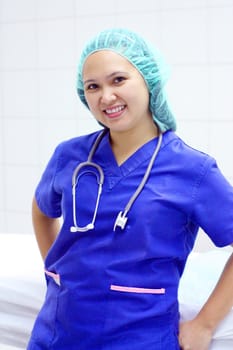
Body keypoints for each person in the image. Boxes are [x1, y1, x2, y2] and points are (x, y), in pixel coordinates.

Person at [27, 28, 233, 350]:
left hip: (141, 338)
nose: (105, 96)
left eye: (118, 80)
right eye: (92, 86)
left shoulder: (192, 170)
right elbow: (41, 211)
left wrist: (204, 324)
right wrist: (55, 270)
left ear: (148, 81)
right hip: (57, 335)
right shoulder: (69, 156)